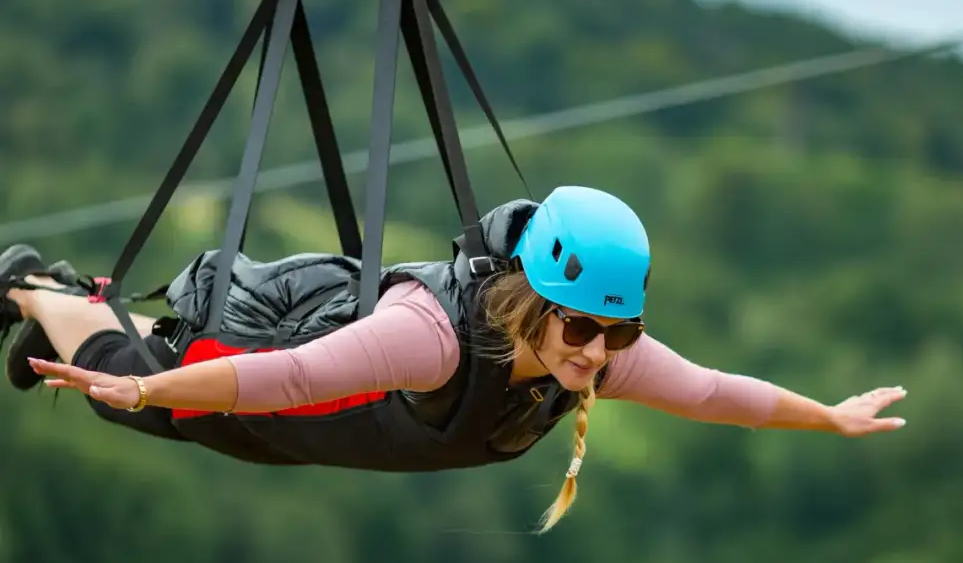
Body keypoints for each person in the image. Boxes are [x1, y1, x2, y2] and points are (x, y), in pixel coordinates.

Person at [0, 185, 907, 532]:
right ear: (536, 303)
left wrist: (827, 415)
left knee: (143, 396)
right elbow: (295, 377)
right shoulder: (430, 336)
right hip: (265, 376)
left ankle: (77, 319)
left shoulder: (598, 352)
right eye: (583, 329)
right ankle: (38, 289)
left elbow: (715, 393)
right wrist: (146, 383)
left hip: (312, 430)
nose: (600, 354)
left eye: (618, 333)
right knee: (136, 405)